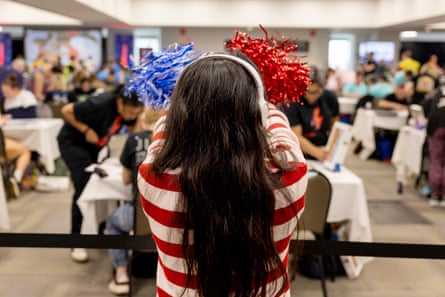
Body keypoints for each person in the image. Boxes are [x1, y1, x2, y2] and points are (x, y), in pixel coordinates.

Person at [138, 54, 307, 297]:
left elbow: (164, 131)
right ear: (257, 111)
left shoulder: (152, 178)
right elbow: (279, 126)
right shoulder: (290, 175)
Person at [57, 86, 144, 263]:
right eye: (130, 113)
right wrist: (85, 130)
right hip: (73, 143)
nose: (131, 117)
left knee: (101, 182)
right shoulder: (100, 103)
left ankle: (98, 230)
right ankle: (77, 241)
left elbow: (135, 131)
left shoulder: (129, 110)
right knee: (84, 186)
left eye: (136, 113)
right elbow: (65, 110)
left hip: (94, 146)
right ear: (120, 102)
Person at [106, 108, 163, 296]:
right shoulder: (175, 139)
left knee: (112, 223)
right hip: (167, 218)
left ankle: (121, 273)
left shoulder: (134, 139)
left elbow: (126, 179)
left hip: (139, 215)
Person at [284, 77, 339, 161]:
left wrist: (332, 147)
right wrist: (317, 152)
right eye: (308, 92)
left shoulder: (329, 98)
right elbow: (296, 136)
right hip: (303, 151)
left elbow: (334, 125)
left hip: (324, 146)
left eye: (315, 92)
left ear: (321, 90)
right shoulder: (295, 102)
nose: (310, 96)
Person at [423, 87, 445, 206]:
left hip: (436, 128)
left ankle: (436, 194)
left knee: (436, 161)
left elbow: (427, 110)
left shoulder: (439, 92)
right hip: (436, 128)